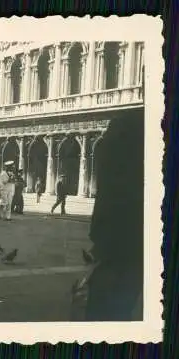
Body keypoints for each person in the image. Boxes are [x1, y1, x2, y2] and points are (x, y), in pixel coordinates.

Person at [85, 115, 144, 321]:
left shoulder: (120, 141)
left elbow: (107, 201)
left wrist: (99, 238)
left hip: (116, 245)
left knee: (104, 309)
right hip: (134, 248)